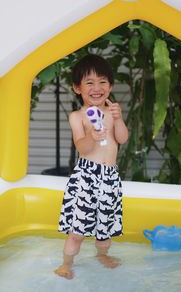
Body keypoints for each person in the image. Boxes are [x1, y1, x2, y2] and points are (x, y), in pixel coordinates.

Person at [54, 54, 128, 279]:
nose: (97, 88)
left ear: (110, 86)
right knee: (77, 231)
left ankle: (102, 254)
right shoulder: (78, 117)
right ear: (77, 88)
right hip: (87, 177)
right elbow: (83, 148)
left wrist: (119, 119)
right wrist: (91, 136)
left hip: (110, 177)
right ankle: (66, 264)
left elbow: (122, 139)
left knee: (105, 229)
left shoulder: (111, 112)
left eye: (103, 81)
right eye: (89, 82)